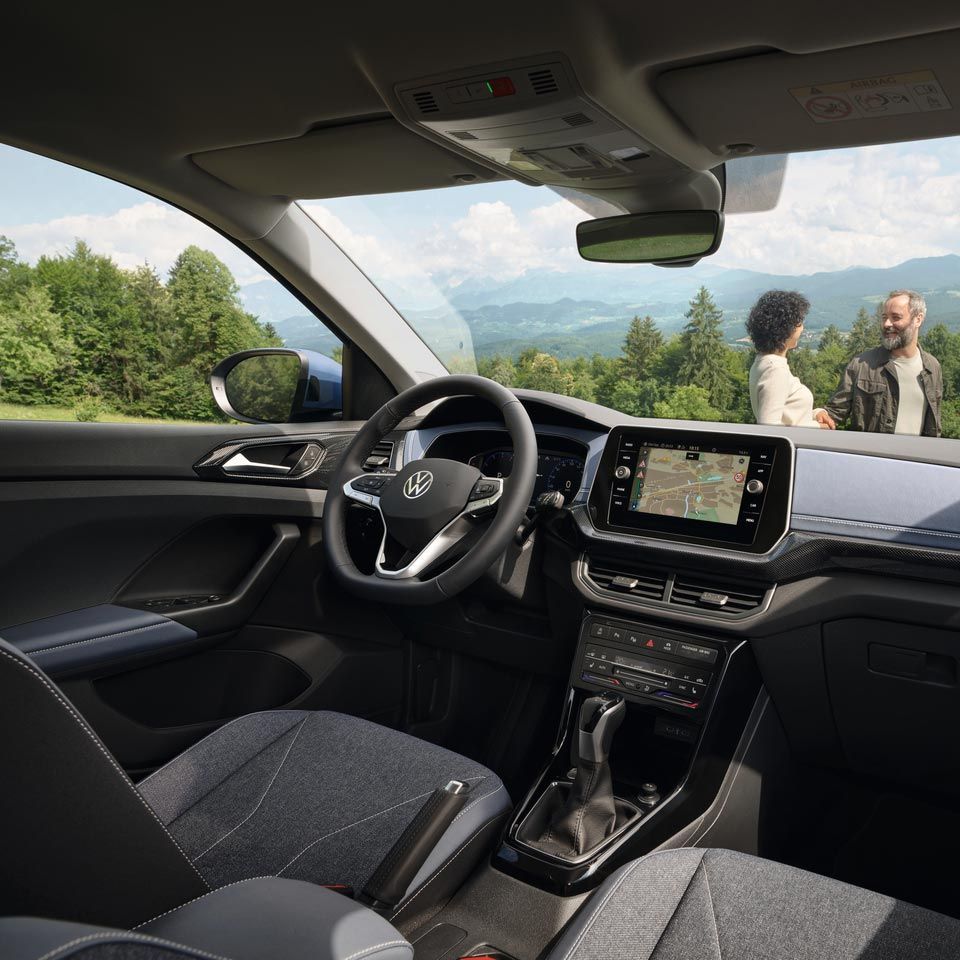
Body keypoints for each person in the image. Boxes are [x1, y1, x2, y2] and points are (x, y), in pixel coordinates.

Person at [824, 290, 942, 437]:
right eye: (884, 317)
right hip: (872, 458)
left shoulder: (932, 367)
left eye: (896, 318)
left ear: (918, 319)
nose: (887, 324)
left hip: (916, 459)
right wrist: (817, 415)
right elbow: (833, 414)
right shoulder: (861, 365)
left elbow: (934, 424)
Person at [746, 290, 835, 429]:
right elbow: (769, 428)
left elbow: (785, 415)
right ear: (785, 329)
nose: (802, 328)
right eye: (799, 323)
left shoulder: (763, 361)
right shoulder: (775, 369)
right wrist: (818, 427)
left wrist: (815, 413)